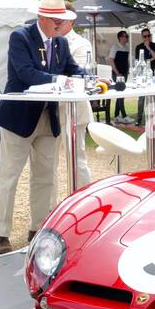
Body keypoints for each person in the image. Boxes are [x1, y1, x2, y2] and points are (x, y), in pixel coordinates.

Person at [0, 0, 85, 254]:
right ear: (42, 17)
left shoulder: (61, 43)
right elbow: (26, 73)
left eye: (62, 21)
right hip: (18, 117)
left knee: (46, 177)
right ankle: (1, 233)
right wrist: (63, 81)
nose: (60, 25)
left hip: (49, 116)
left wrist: (89, 78)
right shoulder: (20, 37)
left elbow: (72, 68)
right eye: (56, 20)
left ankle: (39, 227)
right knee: (9, 176)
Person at [63, 19, 94, 187]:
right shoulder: (46, 41)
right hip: (50, 110)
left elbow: (79, 76)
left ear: (71, 21)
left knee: (78, 159)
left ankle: (83, 201)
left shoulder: (81, 43)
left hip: (76, 110)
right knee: (49, 163)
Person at [132, 27, 155, 126]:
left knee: (153, 98)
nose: (147, 37)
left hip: (153, 74)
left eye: (149, 35)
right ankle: (139, 119)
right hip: (142, 76)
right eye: (145, 36)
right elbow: (139, 62)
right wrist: (151, 58)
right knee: (141, 99)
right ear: (142, 37)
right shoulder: (138, 47)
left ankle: (154, 119)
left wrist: (148, 48)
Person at [111, 30, 131, 124]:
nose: (127, 38)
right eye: (125, 36)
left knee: (120, 95)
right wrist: (117, 72)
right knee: (121, 94)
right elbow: (111, 60)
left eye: (127, 36)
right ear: (120, 38)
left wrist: (128, 69)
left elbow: (126, 60)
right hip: (117, 74)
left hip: (125, 73)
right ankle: (124, 116)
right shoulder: (115, 47)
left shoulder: (127, 47)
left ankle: (116, 116)